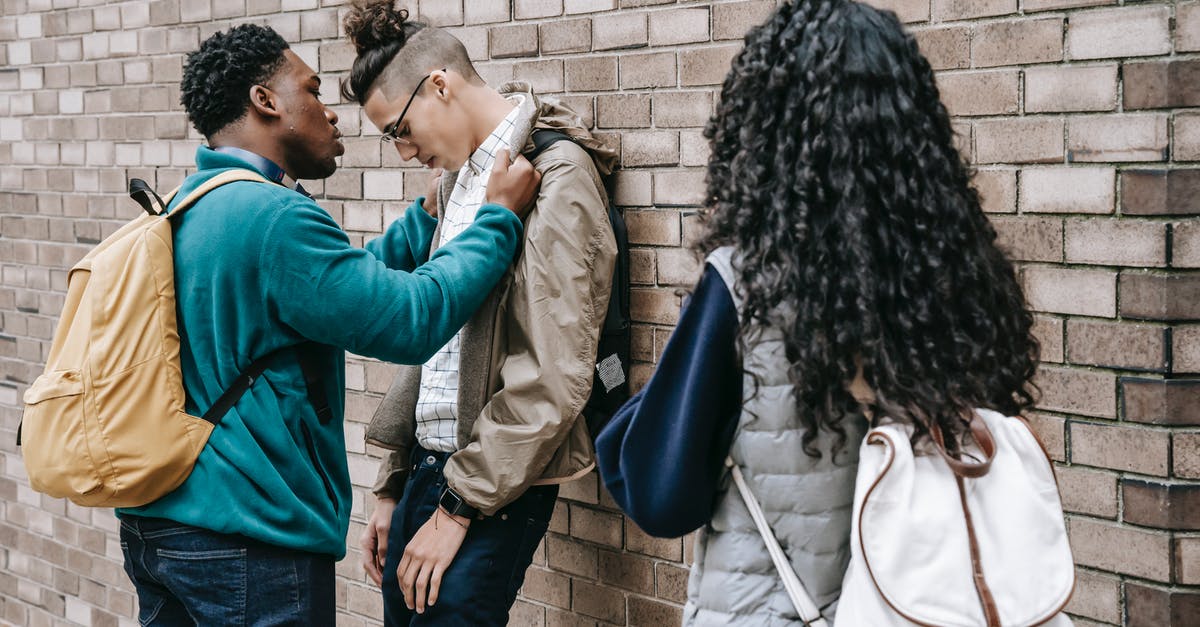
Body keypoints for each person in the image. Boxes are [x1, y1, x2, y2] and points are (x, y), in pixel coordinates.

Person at [595, 1, 1040, 625]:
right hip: (921, 607)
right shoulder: (961, 278)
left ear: (765, 129)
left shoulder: (745, 284)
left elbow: (661, 496)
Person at [115, 24, 541, 625]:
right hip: (247, 540)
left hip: (163, 530)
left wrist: (426, 222)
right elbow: (411, 319)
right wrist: (496, 219)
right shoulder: (273, 218)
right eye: (312, 92)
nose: (331, 114)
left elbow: (335, 290)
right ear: (267, 103)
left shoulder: (199, 201)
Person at [339, 2, 619, 624]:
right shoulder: (457, 185)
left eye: (399, 130)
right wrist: (392, 484)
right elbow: (434, 342)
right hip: (428, 474)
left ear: (439, 83)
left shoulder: (553, 176)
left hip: (489, 488)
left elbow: (553, 373)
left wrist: (456, 508)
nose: (404, 152)